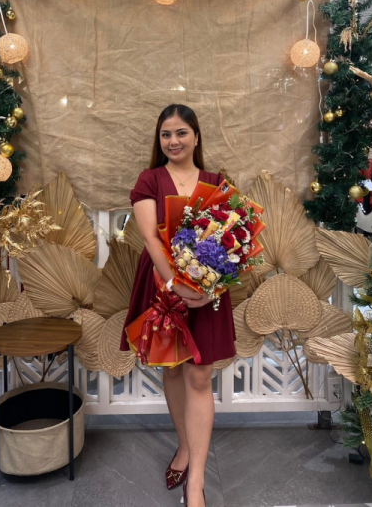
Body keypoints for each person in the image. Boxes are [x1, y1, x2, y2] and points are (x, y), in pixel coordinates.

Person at [120, 104, 236, 507]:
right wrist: (175, 284)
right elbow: (152, 239)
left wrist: (210, 284)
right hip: (162, 283)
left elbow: (230, 240)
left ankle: (196, 482)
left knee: (200, 377)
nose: (173, 141)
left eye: (181, 133)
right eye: (166, 134)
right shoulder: (149, 179)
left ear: (196, 137)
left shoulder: (216, 182)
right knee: (172, 368)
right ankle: (184, 446)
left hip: (208, 289)